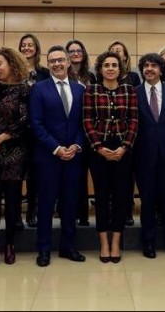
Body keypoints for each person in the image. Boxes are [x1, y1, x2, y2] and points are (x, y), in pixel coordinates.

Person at [30, 46, 87, 267]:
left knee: (70, 204)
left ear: (67, 61)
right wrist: (56, 148)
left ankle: (68, 246)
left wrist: (76, 146)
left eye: (60, 60)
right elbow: (36, 124)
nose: (57, 64)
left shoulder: (80, 89)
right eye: (52, 61)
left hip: (74, 157)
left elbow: (85, 123)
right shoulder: (39, 89)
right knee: (46, 204)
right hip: (48, 157)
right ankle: (43, 249)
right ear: (48, 64)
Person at [83, 51, 138, 263]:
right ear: (100, 69)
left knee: (120, 198)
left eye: (114, 65)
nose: (111, 68)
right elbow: (87, 120)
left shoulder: (129, 90)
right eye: (106, 65)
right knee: (102, 198)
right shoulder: (92, 90)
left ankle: (116, 243)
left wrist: (124, 147)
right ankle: (103, 244)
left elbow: (134, 121)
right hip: (98, 150)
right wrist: (98, 147)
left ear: (120, 69)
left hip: (123, 150)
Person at [0, 47, 30, 266]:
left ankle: (10, 244)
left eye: (0, 63)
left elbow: (24, 121)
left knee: (12, 203)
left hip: (15, 153)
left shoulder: (25, 90)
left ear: (12, 63)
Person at [133, 53, 165, 259]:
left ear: (161, 70)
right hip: (143, 158)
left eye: (154, 65)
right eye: (146, 66)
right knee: (148, 202)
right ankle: (149, 243)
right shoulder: (133, 93)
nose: (149, 69)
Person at [19, 33, 51, 229]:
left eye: (31, 45)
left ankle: (33, 210)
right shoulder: (14, 71)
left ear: (37, 49)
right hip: (17, 129)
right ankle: (15, 215)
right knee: (16, 172)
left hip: (38, 129)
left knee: (35, 173)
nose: (27, 48)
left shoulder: (45, 73)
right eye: (24, 45)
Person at [108, 40, 140, 226]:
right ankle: (113, 209)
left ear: (126, 56)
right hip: (108, 135)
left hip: (128, 135)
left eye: (119, 51)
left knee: (127, 178)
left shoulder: (133, 78)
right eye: (113, 51)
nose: (116, 54)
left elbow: (133, 111)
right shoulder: (101, 79)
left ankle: (127, 211)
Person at [66, 39, 97, 227]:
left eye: (79, 50)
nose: (75, 53)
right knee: (73, 175)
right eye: (71, 51)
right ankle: (71, 213)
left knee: (86, 173)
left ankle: (84, 215)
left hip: (90, 130)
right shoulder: (63, 75)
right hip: (71, 130)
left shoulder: (91, 76)